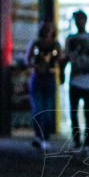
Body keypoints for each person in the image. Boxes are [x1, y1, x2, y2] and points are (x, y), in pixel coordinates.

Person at [65, 10, 89, 150]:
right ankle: (77, 140)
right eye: (77, 20)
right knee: (74, 112)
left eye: (81, 19)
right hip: (75, 80)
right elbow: (67, 58)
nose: (79, 22)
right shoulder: (70, 39)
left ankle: (87, 141)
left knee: (88, 112)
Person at [25, 21, 63, 151]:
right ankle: (38, 136)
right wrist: (35, 66)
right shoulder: (36, 44)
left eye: (49, 29)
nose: (47, 32)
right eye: (45, 29)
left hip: (49, 77)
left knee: (47, 109)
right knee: (38, 108)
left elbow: (60, 60)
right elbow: (27, 59)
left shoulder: (56, 45)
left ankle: (45, 137)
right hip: (38, 77)